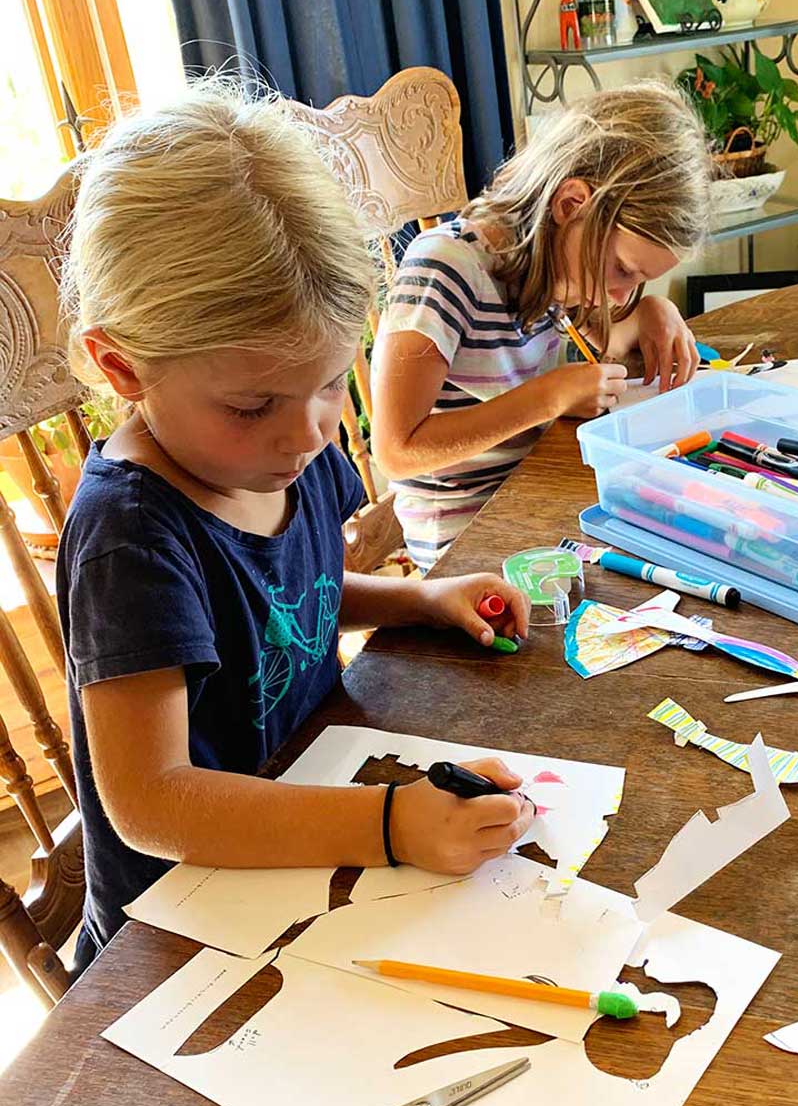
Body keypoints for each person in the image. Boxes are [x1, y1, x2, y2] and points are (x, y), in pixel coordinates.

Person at [58, 82, 535, 969]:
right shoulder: (131, 537)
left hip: (303, 827)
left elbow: (289, 599)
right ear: (121, 367)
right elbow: (152, 803)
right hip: (178, 933)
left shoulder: (283, 450)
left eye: (327, 383)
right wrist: (390, 824)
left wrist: (419, 600)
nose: (309, 431)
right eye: (251, 405)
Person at [370, 81, 711, 569]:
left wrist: (654, 312)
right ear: (571, 204)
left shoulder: (557, 270)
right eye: (622, 270)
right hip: (467, 545)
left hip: (541, 499)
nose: (620, 294)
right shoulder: (445, 268)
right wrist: (549, 398)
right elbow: (396, 450)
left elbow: (608, 340)